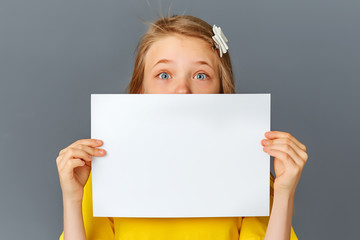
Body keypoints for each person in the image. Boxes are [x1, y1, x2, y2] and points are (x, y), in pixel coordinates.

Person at [57, 14, 308, 240]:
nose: (182, 90)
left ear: (222, 91)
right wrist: (72, 199)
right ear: (140, 91)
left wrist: (285, 193)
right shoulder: (106, 177)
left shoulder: (248, 175)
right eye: (164, 75)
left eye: (200, 75)